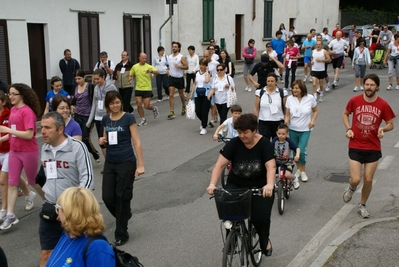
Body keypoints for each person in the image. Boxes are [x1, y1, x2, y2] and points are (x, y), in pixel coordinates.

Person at [207, 113, 276, 257]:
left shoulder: (264, 144)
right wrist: (212, 184)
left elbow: (271, 167)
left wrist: (269, 184)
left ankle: (264, 241)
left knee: (260, 219)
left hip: (260, 186)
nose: (242, 136)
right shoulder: (234, 143)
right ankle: (230, 242)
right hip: (236, 183)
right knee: (229, 214)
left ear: (254, 130)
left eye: (245, 132)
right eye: (239, 132)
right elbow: (219, 166)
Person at [39, 111, 94, 267]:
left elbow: (87, 178)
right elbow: (49, 177)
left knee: (74, 255)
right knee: (45, 254)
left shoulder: (77, 148)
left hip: (72, 210)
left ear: (60, 129)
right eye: (42, 127)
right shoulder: (45, 149)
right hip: (50, 209)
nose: (42, 131)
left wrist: (69, 205)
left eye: (47, 128)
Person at [342, 73, 395, 218]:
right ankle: (351, 188)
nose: (369, 87)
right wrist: (349, 129)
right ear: (363, 85)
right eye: (367, 84)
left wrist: (383, 129)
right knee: (356, 179)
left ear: (377, 87)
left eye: (372, 85)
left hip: (373, 147)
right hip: (356, 145)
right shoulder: (354, 100)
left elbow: (391, 124)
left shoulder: (383, 104)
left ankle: (362, 204)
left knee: (368, 179)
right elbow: (345, 114)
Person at [99, 90, 145, 246]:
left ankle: (121, 233)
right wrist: (101, 143)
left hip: (126, 162)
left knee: (122, 197)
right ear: (108, 105)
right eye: (112, 103)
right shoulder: (106, 119)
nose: (115, 105)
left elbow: (136, 142)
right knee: (107, 196)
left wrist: (140, 164)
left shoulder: (128, 118)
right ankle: (124, 214)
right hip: (111, 162)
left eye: (117, 102)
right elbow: (105, 142)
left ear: (121, 102)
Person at [0, 83, 41, 230]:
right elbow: (13, 132)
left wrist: (6, 130)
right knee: (12, 183)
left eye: (13, 94)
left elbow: (29, 134)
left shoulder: (27, 112)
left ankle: (48, 201)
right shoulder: (13, 111)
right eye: (9, 94)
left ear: (21, 95)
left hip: (28, 151)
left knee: (33, 181)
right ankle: (10, 215)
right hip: (14, 151)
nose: (10, 96)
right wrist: (3, 138)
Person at [46, 187, 115, 267]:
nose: (57, 216)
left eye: (59, 209)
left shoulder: (97, 248)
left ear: (70, 213)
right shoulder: (68, 234)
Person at [284, 80, 318, 182]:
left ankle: (303, 171)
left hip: (305, 129)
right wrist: (286, 122)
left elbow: (315, 111)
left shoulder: (310, 98)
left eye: (296, 88)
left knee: (301, 150)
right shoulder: (290, 99)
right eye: (293, 88)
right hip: (293, 129)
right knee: (295, 150)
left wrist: (312, 120)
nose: (294, 90)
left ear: (302, 89)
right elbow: (287, 114)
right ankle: (298, 169)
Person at [87, 69, 117, 161]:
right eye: (94, 79)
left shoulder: (110, 86)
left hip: (108, 118)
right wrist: (89, 120)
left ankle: (114, 162)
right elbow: (94, 105)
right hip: (98, 118)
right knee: (102, 142)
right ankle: (108, 163)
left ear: (103, 77)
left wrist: (116, 115)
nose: (96, 81)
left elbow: (117, 101)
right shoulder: (96, 88)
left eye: (98, 79)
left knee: (111, 141)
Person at [71, 69, 100, 163]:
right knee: (76, 138)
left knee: (85, 138)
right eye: (76, 79)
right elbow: (75, 99)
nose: (77, 81)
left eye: (79, 78)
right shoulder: (76, 87)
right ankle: (80, 158)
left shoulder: (91, 87)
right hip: (77, 115)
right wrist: (72, 105)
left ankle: (94, 153)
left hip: (88, 116)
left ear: (84, 77)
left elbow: (95, 99)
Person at [129, 53, 160, 126]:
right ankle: (143, 119)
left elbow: (158, 72)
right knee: (139, 104)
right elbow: (131, 74)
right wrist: (130, 78)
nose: (144, 60)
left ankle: (154, 109)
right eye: (143, 58)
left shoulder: (148, 66)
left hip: (147, 88)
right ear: (139, 58)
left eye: (145, 58)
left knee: (146, 105)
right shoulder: (135, 67)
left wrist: (151, 71)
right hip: (138, 88)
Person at [254, 73, 287, 140]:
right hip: (264, 121)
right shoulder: (260, 92)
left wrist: (286, 122)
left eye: (272, 81)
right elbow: (256, 108)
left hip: (278, 121)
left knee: (277, 144)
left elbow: (286, 109)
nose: (270, 83)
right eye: (268, 81)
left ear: (276, 82)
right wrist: (254, 121)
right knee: (264, 143)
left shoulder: (282, 92)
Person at [271, 123, 300, 189]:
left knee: (287, 175)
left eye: (283, 134)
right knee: (272, 172)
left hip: (288, 162)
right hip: (277, 161)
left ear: (287, 134)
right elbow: (269, 148)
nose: (281, 136)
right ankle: (275, 184)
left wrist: (297, 155)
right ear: (276, 133)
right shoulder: (275, 140)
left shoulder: (288, 141)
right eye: (279, 134)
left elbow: (297, 148)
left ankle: (294, 178)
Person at [188, 59, 211, 135]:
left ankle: (204, 127)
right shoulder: (197, 73)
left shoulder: (208, 73)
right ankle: (203, 122)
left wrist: (207, 71)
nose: (201, 66)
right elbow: (194, 83)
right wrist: (191, 93)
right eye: (200, 64)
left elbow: (207, 81)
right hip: (197, 94)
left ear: (206, 66)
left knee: (204, 111)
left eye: (203, 65)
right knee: (198, 111)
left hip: (206, 94)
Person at [166, 41, 188, 120]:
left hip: (179, 78)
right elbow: (170, 66)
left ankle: (183, 106)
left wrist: (179, 66)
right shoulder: (169, 57)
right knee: (171, 94)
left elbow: (186, 67)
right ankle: (172, 111)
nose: (174, 48)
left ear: (178, 48)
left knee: (181, 94)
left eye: (175, 47)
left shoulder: (181, 57)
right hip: (171, 77)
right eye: (173, 46)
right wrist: (167, 70)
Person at [208, 63, 235, 128]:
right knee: (221, 113)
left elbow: (234, 88)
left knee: (223, 114)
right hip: (217, 100)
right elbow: (213, 88)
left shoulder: (229, 78)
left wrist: (229, 86)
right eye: (218, 70)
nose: (219, 71)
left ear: (224, 70)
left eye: (221, 69)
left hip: (226, 100)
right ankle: (224, 125)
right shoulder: (215, 79)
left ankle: (221, 129)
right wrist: (209, 95)